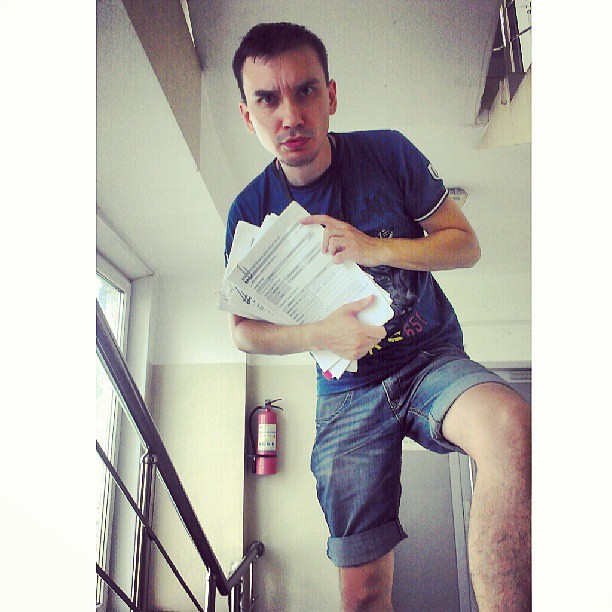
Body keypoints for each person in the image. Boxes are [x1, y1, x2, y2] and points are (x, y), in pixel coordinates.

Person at [226, 22, 531, 611]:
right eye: (267, 99)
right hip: (345, 394)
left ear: (331, 95)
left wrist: (373, 247)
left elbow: (464, 245)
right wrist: (321, 334)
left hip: (429, 358)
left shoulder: (388, 152)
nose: (290, 115)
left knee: (511, 426)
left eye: (305, 91)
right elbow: (242, 332)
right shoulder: (249, 210)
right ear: (248, 115)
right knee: (362, 594)